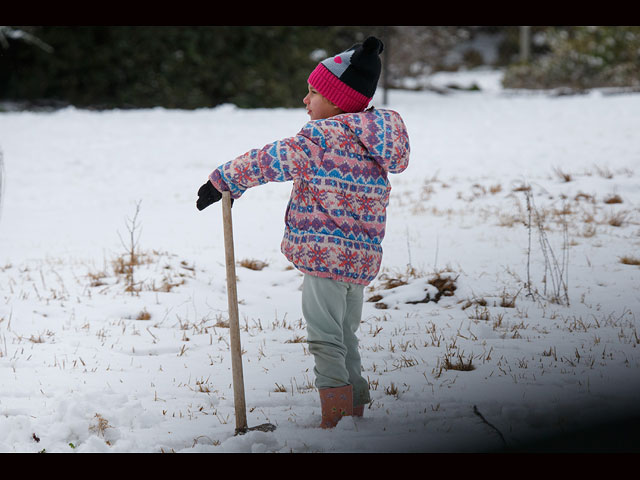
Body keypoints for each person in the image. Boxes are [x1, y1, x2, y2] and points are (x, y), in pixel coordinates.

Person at [196, 36, 410, 429]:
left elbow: (272, 159)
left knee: (324, 339)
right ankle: (354, 410)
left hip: (325, 258)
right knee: (345, 337)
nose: (305, 100)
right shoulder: (374, 142)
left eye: (314, 92)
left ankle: (337, 416)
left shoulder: (322, 138)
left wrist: (225, 178)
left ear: (339, 100)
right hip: (359, 262)